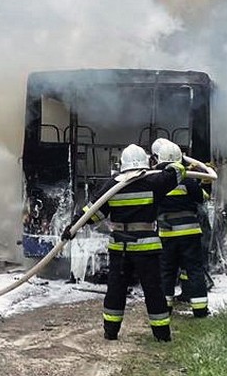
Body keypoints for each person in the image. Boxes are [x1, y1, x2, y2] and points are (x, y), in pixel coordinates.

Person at [65, 143, 179, 342]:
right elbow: (178, 170)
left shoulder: (112, 185)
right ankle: (162, 335)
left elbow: (92, 213)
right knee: (153, 290)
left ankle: (111, 332)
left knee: (116, 289)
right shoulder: (155, 181)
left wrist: (72, 227)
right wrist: (162, 165)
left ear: (122, 164)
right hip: (146, 246)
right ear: (145, 162)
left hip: (120, 247)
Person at [152, 138, 211, 318]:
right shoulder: (188, 181)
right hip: (190, 234)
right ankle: (200, 310)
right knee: (194, 270)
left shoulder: (155, 181)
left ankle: (166, 308)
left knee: (167, 271)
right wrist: (203, 181)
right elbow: (204, 198)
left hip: (167, 234)